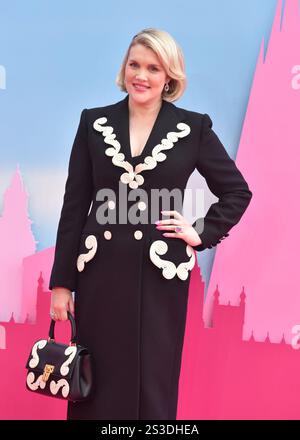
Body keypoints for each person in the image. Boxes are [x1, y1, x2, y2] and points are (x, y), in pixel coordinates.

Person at [48, 28, 252, 420]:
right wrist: (61, 284)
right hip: (99, 274)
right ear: (124, 68)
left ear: (169, 77)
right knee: (95, 380)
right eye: (134, 65)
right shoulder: (93, 123)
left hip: (162, 276)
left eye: (153, 68)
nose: (141, 75)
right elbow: (74, 206)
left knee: (152, 381)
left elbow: (236, 191)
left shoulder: (193, 128)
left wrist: (201, 232)